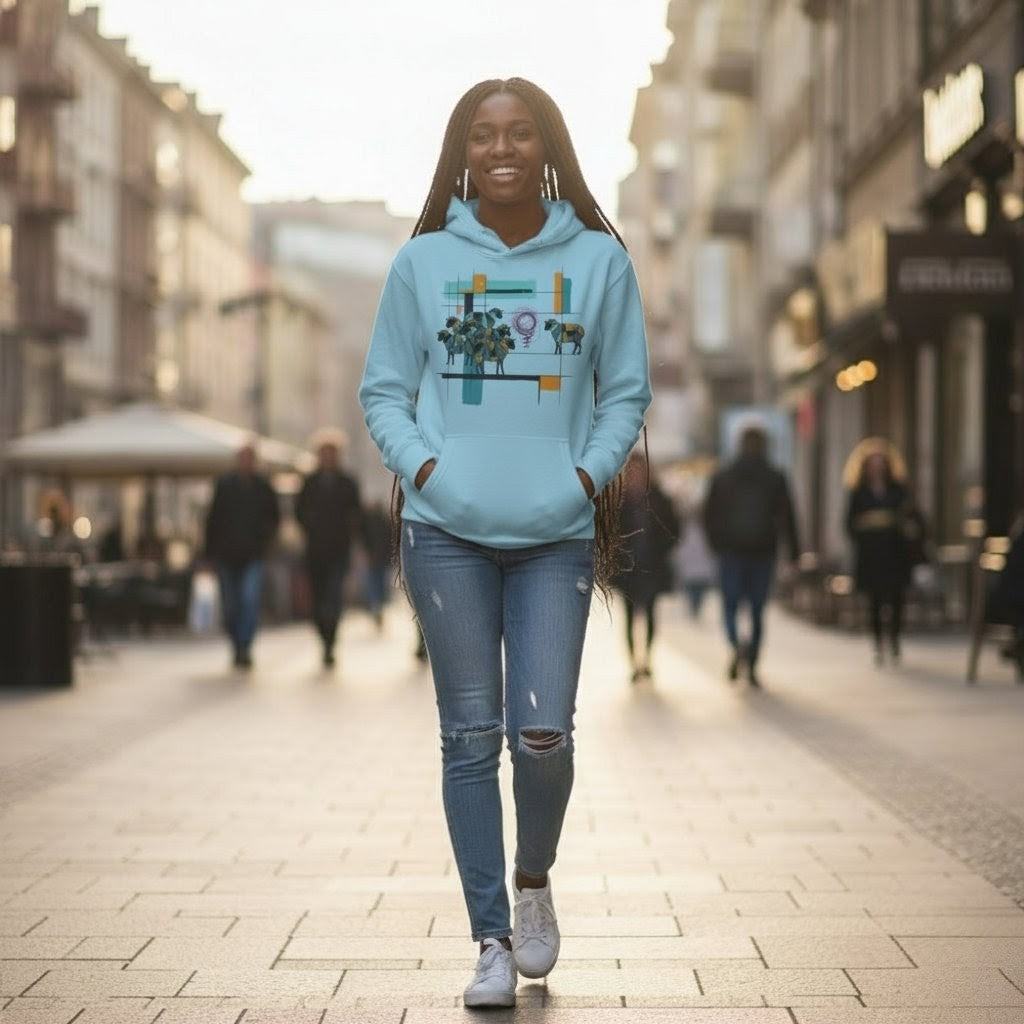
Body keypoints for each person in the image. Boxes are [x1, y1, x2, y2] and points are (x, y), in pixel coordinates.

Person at [358, 77, 650, 1009]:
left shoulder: (601, 261)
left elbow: (626, 393)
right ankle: (489, 937)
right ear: (462, 151)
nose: (502, 148)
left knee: (544, 734)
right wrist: (431, 473)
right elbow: (383, 392)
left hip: (555, 536)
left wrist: (582, 475)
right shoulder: (424, 264)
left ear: (548, 146)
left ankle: (533, 881)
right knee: (469, 738)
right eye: (483, 135)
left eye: (521, 132)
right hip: (443, 534)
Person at [703, 424, 799, 688]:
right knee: (757, 610)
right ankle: (752, 662)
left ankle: (738, 647)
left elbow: (708, 515)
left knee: (731, 607)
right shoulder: (775, 476)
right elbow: (788, 517)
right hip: (762, 551)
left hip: (731, 552)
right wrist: (794, 552)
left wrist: (716, 544)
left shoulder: (723, 475)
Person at [845, 441, 923, 665]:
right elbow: (849, 523)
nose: (877, 467)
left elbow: (914, 518)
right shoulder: (858, 492)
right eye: (872, 463)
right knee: (875, 601)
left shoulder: (899, 490)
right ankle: (878, 643)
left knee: (897, 599)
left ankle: (895, 639)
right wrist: (864, 524)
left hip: (895, 553)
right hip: (871, 554)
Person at [203, 442, 280, 669]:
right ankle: (236, 643)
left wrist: (265, 541)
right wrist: (208, 554)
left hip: (253, 555)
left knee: (249, 600)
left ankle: (245, 646)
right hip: (226, 555)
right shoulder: (224, 485)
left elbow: (274, 518)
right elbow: (212, 520)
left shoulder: (263, 486)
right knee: (230, 605)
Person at [295, 429, 363, 667]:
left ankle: (331, 641)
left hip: (339, 550)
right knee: (318, 600)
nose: (328, 457)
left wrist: (354, 537)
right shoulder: (309, 482)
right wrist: (309, 525)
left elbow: (357, 514)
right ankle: (323, 636)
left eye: (331, 453)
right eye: (324, 453)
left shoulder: (347, 482)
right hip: (315, 551)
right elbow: (299, 511)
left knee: (333, 597)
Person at [612, 451, 680, 682]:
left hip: (652, 566)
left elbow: (674, 529)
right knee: (630, 617)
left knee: (650, 614)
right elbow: (611, 533)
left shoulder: (659, 498)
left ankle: (647, 659)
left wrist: (662, 550)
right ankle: (634, 663)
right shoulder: (619, 501)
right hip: (627, 568)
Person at [674, 501, 716, 620]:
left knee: (697, 589)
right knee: (694, 589)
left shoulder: (699, 530)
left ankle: (695, 608)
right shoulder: (690, 530)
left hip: (698, 567)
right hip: (694, 567)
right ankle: (694, 608)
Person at [359, 499, 392, 631]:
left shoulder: (376, 523)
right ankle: (376, 606)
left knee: (376, 585)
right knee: (376, 585)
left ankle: (377, 606)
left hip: (378, 560)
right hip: (378, 560)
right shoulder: (377, 523)